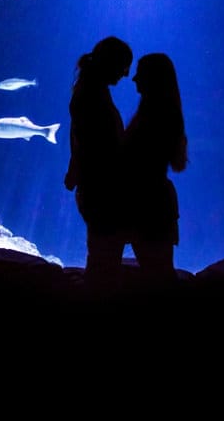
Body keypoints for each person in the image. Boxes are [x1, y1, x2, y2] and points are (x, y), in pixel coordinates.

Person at [64, 36, 133, 292]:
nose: (126, 74)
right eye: (124, 65)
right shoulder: (92, 94)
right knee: (105, 264)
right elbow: (94, 144)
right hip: (102, 191)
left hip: (97, 189)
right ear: (111, 62)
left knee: (102, 258)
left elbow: (79, 139)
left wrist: (74, 172)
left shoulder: (90, 89)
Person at [122, 53, 188, 289]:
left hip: (148, 205)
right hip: (157, 202)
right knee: (160, 275)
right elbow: (178, 162)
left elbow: (133, 161)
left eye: (140, 72)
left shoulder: (152, 116)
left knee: (157, 278)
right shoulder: (164, 112)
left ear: (153, 77)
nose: (134, 78)